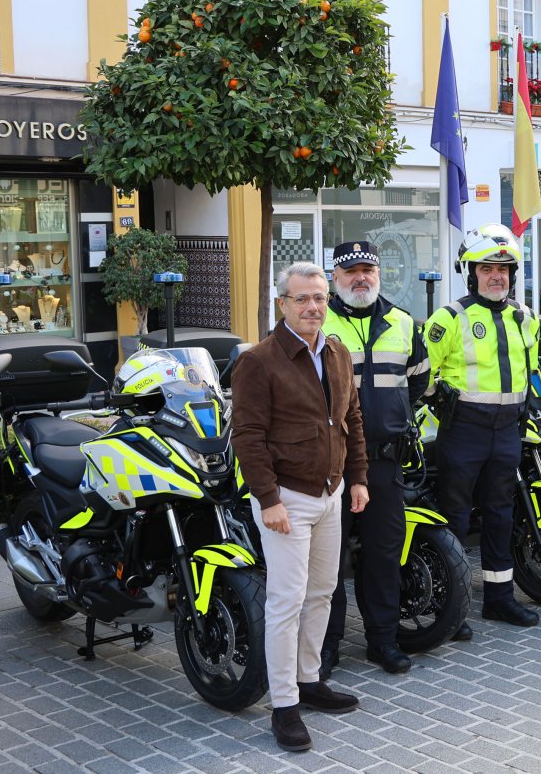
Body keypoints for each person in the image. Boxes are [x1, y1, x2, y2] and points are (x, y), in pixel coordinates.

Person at [231, 261, 369, 753]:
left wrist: (357, 478)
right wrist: (267, 499)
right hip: (286, 498)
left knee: (322, 592)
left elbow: (350, 416)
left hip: (330, 493)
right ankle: (284, 705)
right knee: (286, 602)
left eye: (319, 298)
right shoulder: (260, 360)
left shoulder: (337, 351)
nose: (313, 307)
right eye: (302, 299)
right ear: (283, 305)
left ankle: (309, 680)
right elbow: (246, 436)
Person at [424, 225, 540, 637]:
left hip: (508, 430)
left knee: (500, 514)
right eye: (487, 268)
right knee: (454, 517)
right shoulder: (449, 318)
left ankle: (499, 598)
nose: (497, 276)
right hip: (465, 431)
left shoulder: (524, 317)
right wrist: (441, 399)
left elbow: (532, 370)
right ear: (471, 272)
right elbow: (422, 374)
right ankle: (451, 607)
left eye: (504, 269)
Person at [319, 241, 428, 678]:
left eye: (368, 269)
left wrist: (393, 419)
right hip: (331, 465)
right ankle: (325, 648)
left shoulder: (403, 322)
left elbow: (418, 382)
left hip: (384, 464)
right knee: (328, 559)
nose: (360, 278)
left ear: (379, 273)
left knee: (384, 554)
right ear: (335, 278)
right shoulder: (315, 321)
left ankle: (383, 640)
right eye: (350, 272)